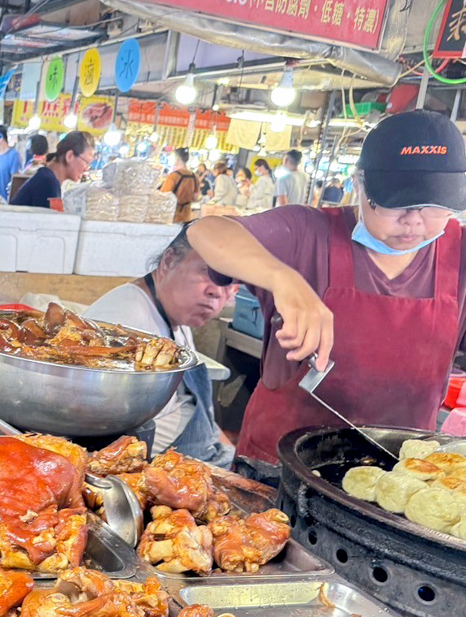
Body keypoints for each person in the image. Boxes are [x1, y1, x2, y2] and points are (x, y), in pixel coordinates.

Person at [186, 109, 466, 476]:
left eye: (433, 206)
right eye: (395, 203)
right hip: (280, 471)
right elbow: (206, 232)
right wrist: (285, 280)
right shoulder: (309, 232)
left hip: (399, 479)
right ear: (361, 185)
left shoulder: (459, 254)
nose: (414, 220)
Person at [85, 229, 237, 466]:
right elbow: (102, 439)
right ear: (168, 261)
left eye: (230, 283)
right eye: (209, 273)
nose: (217, 292)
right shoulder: (123, 323)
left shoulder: (177, 314)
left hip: (198, 456)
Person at [10, 130, 95, 208]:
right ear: (70, 156)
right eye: (86, 162)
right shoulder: (47, 183)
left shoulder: (47, 178)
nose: (87, 169)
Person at [160, 147, 200, 222]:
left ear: (177, 159)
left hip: (172, 215)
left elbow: (164, 196)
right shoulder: (195, 177)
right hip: (186, 216)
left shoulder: (173, 176)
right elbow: (195, 198)